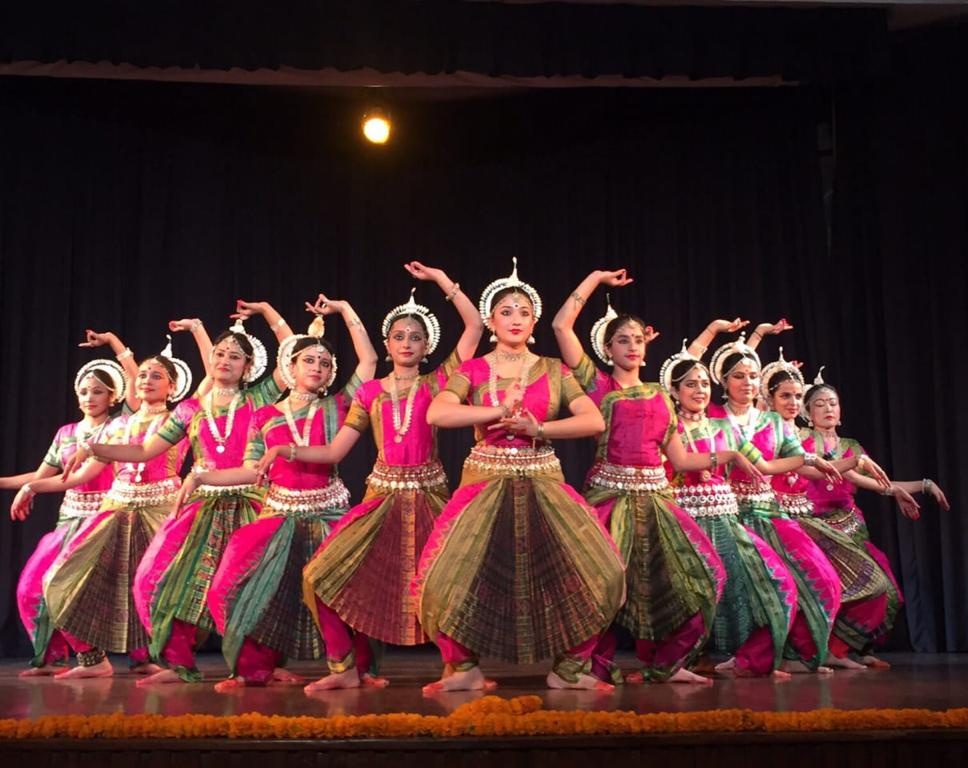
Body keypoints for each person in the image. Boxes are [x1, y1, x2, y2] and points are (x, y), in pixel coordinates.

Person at [257, 264, 482, 690]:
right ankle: (344, 671)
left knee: (446, 579)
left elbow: (473, 324)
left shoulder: (439, 384)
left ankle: (463, 668)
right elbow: (335, 451)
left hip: (431, 494)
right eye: (399, 336)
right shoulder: (369, 392)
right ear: (388, 343)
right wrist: (284, 449)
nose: (407, 343)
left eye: (416, 337)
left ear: (427, 344)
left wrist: (441, 281)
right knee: (321, 576)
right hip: (380, 497)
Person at [553, 271, 778, 684]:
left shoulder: (660, 395)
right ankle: (582, 668)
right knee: (603, 583)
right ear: (607, 348)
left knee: (703, 575)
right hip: (610, 497)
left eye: (638, 339)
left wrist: (726, 454)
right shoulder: (598, 386)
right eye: (623, 340)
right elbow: (561, 325)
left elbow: (679, 457)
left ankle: (669, 664)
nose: (633, 346)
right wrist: (595, 280)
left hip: (656, 501)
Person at [416, 259, 627, 693]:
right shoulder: (473, 369)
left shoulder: (554, 369)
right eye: (506, 311)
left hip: (544, 478)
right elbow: (437, 411)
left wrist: (540, 429)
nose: (515, 318)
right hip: (483, 478)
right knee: (445, 575)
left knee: (601, 571)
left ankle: (569, 670)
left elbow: (593, 421)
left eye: (524, 312)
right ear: (491, 321)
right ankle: (464, 668)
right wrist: (497, 411)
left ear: (533, 323)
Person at [65, 305, 293, 685]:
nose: (224, 360)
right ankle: (178, 663)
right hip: (201, 506)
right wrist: (93, 448)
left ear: (248, 365)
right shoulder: (190, 409)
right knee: (154, 578)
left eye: (235, 356)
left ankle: (259, 666)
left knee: (247, 587)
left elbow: (288, 353)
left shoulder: (259, 398)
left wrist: (268, 312)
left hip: (251, 502)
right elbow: (142, 451)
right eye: (219, 353)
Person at [187, 296, 377, 691]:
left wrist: (345, 312)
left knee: (342, 587)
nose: (318, 367)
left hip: (328, 510)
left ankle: (354, 670)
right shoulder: (265, 414)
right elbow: (249, 469)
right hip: (277, 512)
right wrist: (202, 478)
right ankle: (250, 669)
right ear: (289, 367)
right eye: (309, 360)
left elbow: (370, 364)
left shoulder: (340, 404)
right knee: (230, 584)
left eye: (325, 363)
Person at [12, 338, 193, 678]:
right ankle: (92, 660)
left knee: (157, 585)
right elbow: (80, 475)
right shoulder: (118, 426)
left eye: (156, 376)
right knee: (57, 581)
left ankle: (166, 659)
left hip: (162, 510)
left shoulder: (181, 419)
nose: (146, 380)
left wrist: (115, 344)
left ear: (173, 386)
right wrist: (32, 485)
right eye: (142, 376)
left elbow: (144, 450)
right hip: (116, 509)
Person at [708, 335, 843, 674]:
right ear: (724, 381)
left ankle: (794, 654)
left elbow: (796, 459)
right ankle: (751, 659)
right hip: (729, 516)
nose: (748, 382)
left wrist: (778, 466)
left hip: (771, 512)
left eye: (753, 375)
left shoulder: (773, 422)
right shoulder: (711, 418)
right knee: (768, 589)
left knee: (823, 579)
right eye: (739, 375)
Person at [800, 368, 950, 667]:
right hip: (815, 527)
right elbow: (848, 472)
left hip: (851, 526)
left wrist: (922, 485)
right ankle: (822, 652)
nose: (828, 408)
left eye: (833, 403)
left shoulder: (852, 447)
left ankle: (849, 650)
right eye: (819, 404)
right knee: (839, 589)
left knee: (888, 593)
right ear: (807, 412)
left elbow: (878, 482)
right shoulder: (800, 440)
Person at [3, 354, 128, 675]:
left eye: (98, 391)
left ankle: (97, 660)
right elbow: (41, 473)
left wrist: (32, 490)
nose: (90, 397)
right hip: (68, 521)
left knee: (69, 589)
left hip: (103, 521)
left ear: (113, 396)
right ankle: (51, 657)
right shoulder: (66, 433)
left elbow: (82, 475)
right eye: (84, 391)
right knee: (30, 588)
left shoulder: (116, 429)